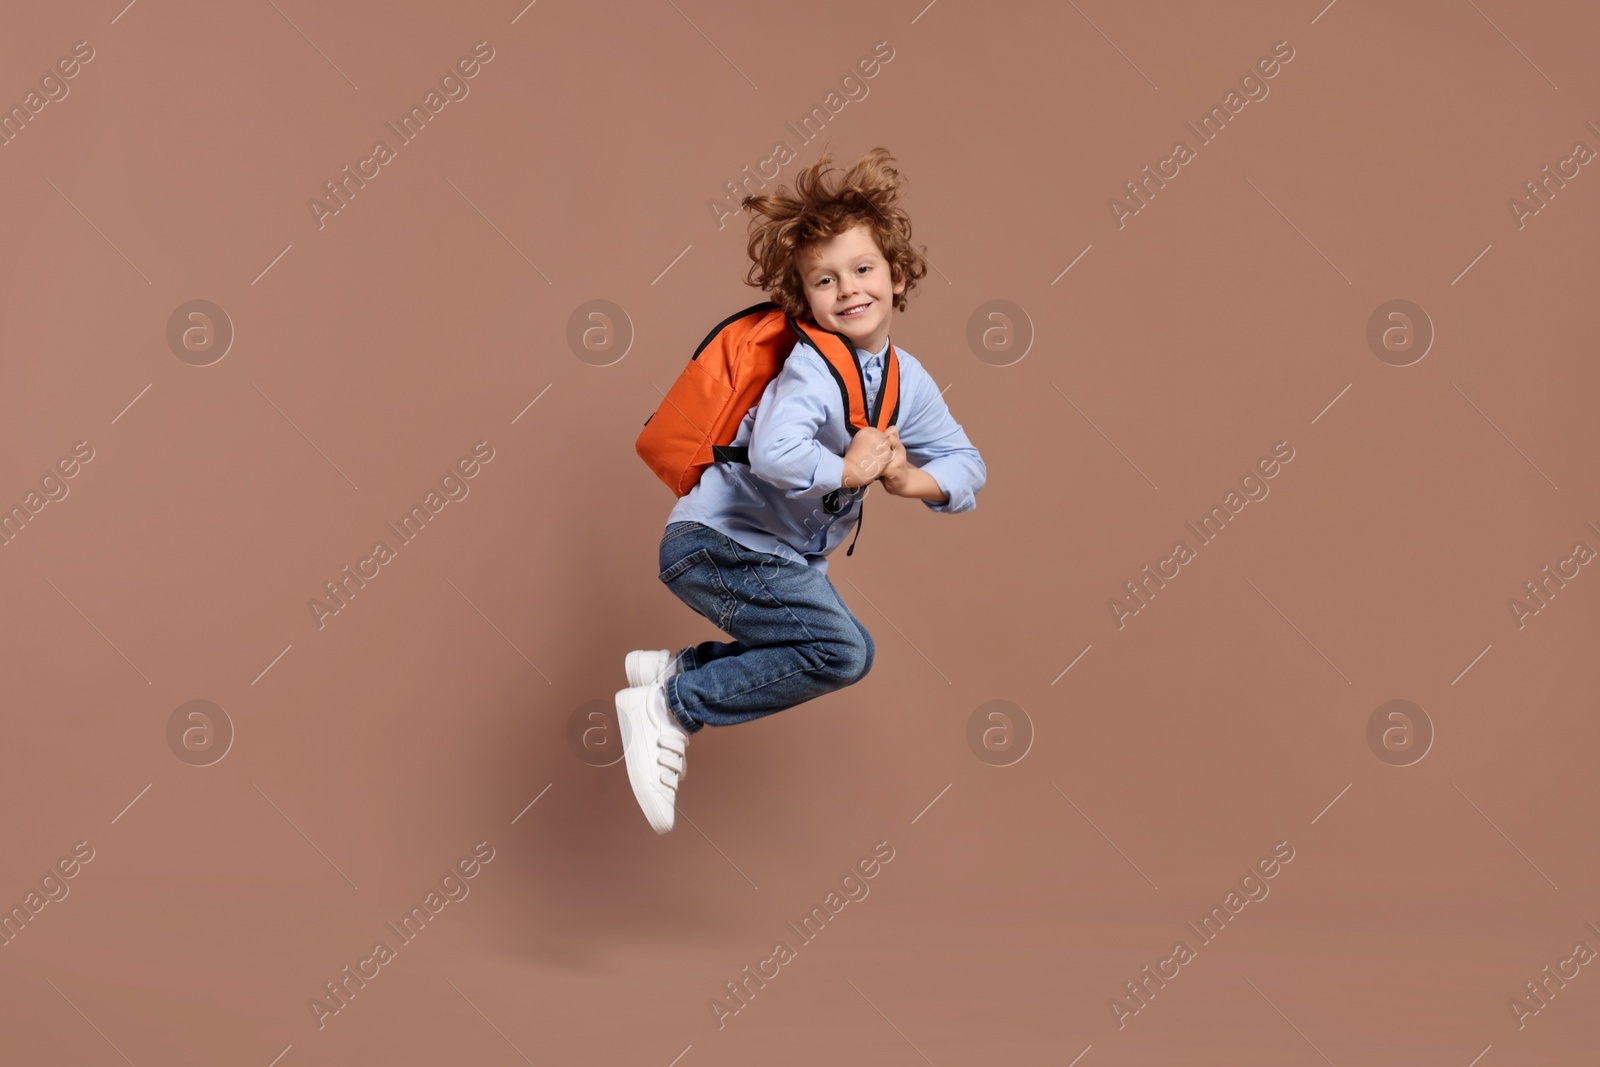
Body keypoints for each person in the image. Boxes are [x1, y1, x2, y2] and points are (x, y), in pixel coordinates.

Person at [615, 147, 987, 833]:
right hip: (717, 544)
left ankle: (678, 669)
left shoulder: (907, 379)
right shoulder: (811, 369)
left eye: (863, 269)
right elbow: (774, 451)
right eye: (824, 280)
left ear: (898, 276)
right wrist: (848, 469)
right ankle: (672, 706)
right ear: (804, 299)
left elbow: (967, 462)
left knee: (851, 652)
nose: (848, 289)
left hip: (759, 556)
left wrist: (911, 478)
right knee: (838, 649)